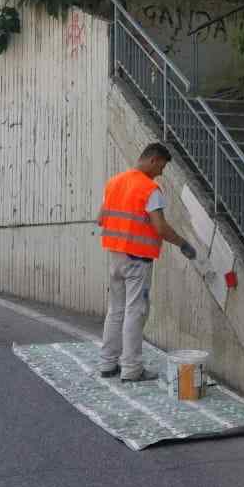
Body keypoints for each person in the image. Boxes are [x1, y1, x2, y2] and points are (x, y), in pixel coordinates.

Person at [97, 142, 198, 382]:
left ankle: (107, 364)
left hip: (116, 256)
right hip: (137, 260)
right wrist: (182, 243)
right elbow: (160, 227)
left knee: (115, 311)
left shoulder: (114, 183)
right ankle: (132, 369)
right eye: (161, 166)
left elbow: (100, 219)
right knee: (136, 312)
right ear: (153, 160)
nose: (161, 172)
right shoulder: (150, 189)